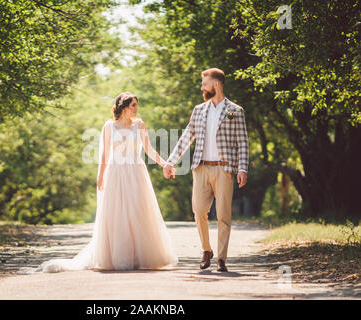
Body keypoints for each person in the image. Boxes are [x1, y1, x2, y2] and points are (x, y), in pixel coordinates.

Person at [23, 92, 178, 273]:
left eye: (136, 105)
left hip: (136, 172)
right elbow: (104, 154)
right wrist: (101, 176)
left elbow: (150, 150)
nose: (136, 109)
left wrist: (164, 164)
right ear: (123, 107)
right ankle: (118, 256)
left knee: (138, 211)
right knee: (117, 213)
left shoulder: (140, 125)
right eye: (133, 105)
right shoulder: (109, 126)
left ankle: (139, 256)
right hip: (115, 172)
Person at [163, 68, 249, 272]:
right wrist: (170, 161)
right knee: (199, 211)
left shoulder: (235, 111)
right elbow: (186, 137)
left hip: (224, 169)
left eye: (205, 83)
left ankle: (221, 258)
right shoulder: (199, 110)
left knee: (223, 215)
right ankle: (206, 250)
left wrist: (243, 168)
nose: (202, 87)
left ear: (216, 85)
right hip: (201, 168)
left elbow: (243, 142)